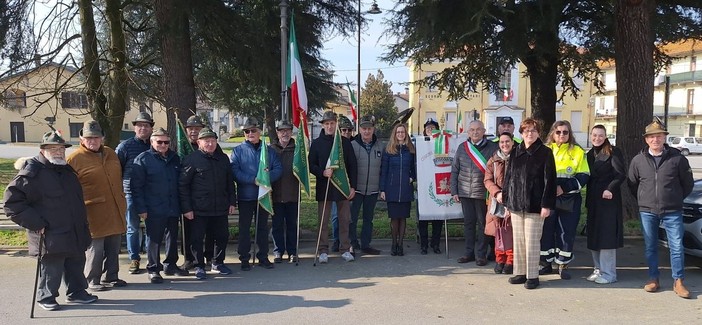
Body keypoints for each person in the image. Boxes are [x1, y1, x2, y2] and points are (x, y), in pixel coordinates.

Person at [4, 130, 97, 311]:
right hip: (50, 231)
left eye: (61, 148)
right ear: (42, 150)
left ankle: (77, 292)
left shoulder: (67, 170)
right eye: (53, 148)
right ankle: (46, 297)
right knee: (52, 267)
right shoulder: (32, 173)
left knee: (76, 261)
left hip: (75, 228)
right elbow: (12, 204)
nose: (58, 152)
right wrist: (36, 223)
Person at [628, 119, 693, 298]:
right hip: (647, 211)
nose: (655, 140)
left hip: (672, 211)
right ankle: (653, 278)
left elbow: (687, 184)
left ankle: (678, 281)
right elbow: (632, 184)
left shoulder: (678, 159)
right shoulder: (638, 160)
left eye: (659, 136)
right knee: (651, 247)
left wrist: (675, 199)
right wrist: (644, 200)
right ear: (646, 140)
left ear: (664, 138)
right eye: (651, 137)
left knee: (676, 246)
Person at [66, 121, 127, 292]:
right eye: (89, 138)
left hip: (115, 208)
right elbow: (69, 189)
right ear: (81, 139)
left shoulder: (110, 153)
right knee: (95, 249)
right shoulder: (74, 159)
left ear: (102, 138)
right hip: (92, 212)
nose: (93, 141)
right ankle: (92, 279)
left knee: (114, 246)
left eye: (96, 137)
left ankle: (112, 276)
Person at [502, 118, 557, 289]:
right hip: (517, 204)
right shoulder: (516, 151)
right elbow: (509, 178)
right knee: (518, 240)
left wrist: (546, 205)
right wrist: (507, 202)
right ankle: (520, 272)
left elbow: (550, 181)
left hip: (536, 205)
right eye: (526, 131)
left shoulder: (545, 152)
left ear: (538, 133)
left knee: (532, 241)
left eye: (533, 130)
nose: (529, 134)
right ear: (521, 133)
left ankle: (532, 276)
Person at [131, 128, 189, 284]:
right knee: (154, 239)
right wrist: (141, 209)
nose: (163, 145)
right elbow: (136, 187)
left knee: (172, 236)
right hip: (153, 207)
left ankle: (170, 265)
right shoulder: (142, 159)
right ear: (152, 142)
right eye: (159, 142)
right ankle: (153, 269)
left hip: (172, 205)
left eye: (166, 142)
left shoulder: (175, 158)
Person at [180, 127, 237, 280]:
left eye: (212, 141)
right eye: (206, 141)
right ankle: (199, 265)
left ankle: (217, 262)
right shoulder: (191, 159)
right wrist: (187, 208)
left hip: (220, 207)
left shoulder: (223, 159)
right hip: (199, 209)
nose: (210, 144)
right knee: (197, 238)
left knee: (222, 236)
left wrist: (232, 201)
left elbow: (229, 182)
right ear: (199, 142)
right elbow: (183, 186)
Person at [541, 120, 590, 280]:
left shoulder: (577, 151)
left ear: (570, 134)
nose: (562, 135)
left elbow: (583, 175)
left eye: (565, 132)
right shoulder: (545, 150)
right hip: (549, 198)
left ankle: (563, 265)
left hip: (569, 198)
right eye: (558, 132)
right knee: (546, 232)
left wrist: (563, 188)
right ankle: (546, 264)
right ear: (552, 134)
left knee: (565, 233)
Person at [231, 117, 282, 270]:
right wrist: (252, 180)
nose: (250, 133)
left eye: (253, 130)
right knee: (244, 228)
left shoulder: (269, 151)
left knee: (262, 228)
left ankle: (263, 256)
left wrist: (265, 179)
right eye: (247, 131)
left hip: (263, 195)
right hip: (246, 195)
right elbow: (234, 171)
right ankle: (244, 258)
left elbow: (278, 169)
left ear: (259, 132)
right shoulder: (238, 151)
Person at [308, 110, 358, 263]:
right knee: (323, 221)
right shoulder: (316, 143)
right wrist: (322, 172)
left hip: (342, 187)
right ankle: (323, 249)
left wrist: (353, 187)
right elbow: (311, 165)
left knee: (344, 219)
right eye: (327, 123)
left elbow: (353, 166)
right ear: (323, 125)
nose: (330, 126)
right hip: (325, 187)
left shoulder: (345, 142)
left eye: (332, 123)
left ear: (336, 124)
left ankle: (345, 248)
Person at [451, 120, 498, 265]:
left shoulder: (492, 148)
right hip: (465, 192)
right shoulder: (462, 148)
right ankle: (468, 253)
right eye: (472, 130)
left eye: (478, 129)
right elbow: (455, 170)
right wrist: (454, 191)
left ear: (484, 131)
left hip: (483, 193)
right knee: (469, 223)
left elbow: (496, 171)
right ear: (468, 132)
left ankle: (481, 255)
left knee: (483, 224)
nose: (475, 132)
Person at [585, 125, 626, 284]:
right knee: (594, 235)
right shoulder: (589, 154)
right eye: (594, 135)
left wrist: (610, 189)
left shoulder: (613, 152)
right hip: (593, 200)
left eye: (600, 135)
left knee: (606, 237)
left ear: (605, 136)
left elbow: (620, 174)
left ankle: (609, 274)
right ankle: (598, 269)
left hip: (608, 201)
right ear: (590, 136)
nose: (597, 138)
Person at [115, 112, 154, 274]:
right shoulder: (125, 146)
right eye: (140, 125)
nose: (143, 128)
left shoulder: (155, 145)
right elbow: (117, 169)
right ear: (134, 127)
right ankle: (134, 259)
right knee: (132, 227)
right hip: (130, 192)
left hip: (150, 192)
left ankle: (152, 259)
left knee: (151, 227)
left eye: (146, 125)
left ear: (151, 128)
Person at [181, 115, 215, 271]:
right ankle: (189, 258)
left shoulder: (211, 146)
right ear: (186, 130)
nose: (193, 131)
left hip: (209, 200)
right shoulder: (181, 145)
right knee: (189, 231)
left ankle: (209, 257)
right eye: (191, 128)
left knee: (209, 230)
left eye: (197, 128)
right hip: (189, 198)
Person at [380, 123, 416, 256]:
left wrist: (412, 177)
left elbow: (415, 167)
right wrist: (382, 189)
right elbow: (384, 170)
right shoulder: (389, 149)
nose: (400, 134)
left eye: (402, 132)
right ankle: (393, 243)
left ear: (406, 134)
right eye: (398, 132)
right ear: (394, 134)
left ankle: (401, 245)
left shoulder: (411, 149)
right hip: (392, 188)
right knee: (394, 218)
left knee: (403, 218)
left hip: (406, 188)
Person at [349, 115, 383, 255]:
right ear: (360, 129)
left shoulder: (380, 145)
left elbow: (383, 168)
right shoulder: (352, 145)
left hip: (373, 190)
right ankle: (351, 244)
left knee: (368, 219)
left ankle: (366, 244)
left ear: (373, 129)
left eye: (369, 129)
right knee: (352, 218)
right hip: (356, 190)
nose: (367, 131)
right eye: (364, 129)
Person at [484, 132, 515, 274]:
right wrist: (497, 192)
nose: (505, 144)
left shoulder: (518, 158)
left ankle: (510, 260)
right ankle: (499, 259)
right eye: (502, 142)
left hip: (514, 199)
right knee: (499, 231)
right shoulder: (493, 160)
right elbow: (487, 180)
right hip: (497, 200)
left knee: (511, 231)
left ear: (513, 142)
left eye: (507, 141)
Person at [270, 120, 300, 263]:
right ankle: (278, 251)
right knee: (277, 225)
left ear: (291, 132)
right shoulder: (270, 149)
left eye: (287, 130)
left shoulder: (297, 149)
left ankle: (292, 252)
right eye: (282, 131)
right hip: (275, 195)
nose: (285, 133)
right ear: (277, 132)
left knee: (291, 225)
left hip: (292, 194)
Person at [418, 118, 443, 254]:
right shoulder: (420, 144)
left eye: (433, 128)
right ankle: (423, 244)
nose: (430, 130)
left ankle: (436, 244)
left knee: (437, 218)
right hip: (424, 184)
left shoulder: (442, 143)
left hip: (437, 183)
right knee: (423, 218)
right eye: (428, 128)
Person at [331, 115, 356, 252]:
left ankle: (348, 242)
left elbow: (354, 167)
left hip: (349, 186)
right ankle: (336, 240)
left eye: (349, 130)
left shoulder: (354, 144)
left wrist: (353, 186)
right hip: (336, 185)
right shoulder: (334, 145)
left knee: (348, 218)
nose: (346, 133)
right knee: (335, 217)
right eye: (343, 130)